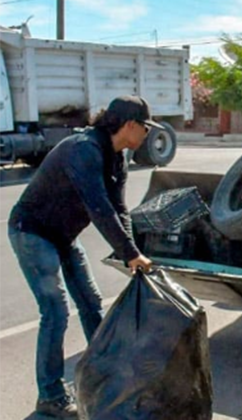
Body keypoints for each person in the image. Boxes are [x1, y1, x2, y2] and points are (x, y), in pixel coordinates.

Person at [8, 96, 157, 418]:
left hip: (63, 237)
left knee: (90, 303)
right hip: (32, 232)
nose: (147, 134)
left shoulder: (118, 157)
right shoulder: (83, 149)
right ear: (130, 125)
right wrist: (130, 254)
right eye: (145, 127)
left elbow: (118, 209)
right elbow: (98, 206)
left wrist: (131, 252)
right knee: (56, 312)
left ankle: (107, 374)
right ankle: (50, 396)